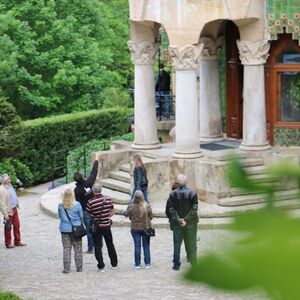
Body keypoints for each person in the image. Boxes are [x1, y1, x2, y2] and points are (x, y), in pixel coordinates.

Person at [165, 174, 199, 271]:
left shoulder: (172, 194)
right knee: (192, 244)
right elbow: (194, 209)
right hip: (190, 224)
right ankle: (194, 263)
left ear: (178, 183)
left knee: (176, 244)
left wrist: (179, 219)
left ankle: (176, 264)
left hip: (178, 224)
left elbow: (171, 209)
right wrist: (186, 219)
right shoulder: (192, 193)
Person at [86, 182, 118, 272]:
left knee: (97, 246)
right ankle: (114, 264)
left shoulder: (90, 202)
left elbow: (89, 214)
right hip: (106, 225)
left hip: (96, 226)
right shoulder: (108, 199)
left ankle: (101, 266)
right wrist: (107, 217)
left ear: (93, 190)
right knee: (110, 244)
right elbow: (112, 210)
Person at [74, 154, 99, 253]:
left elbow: (78, 203)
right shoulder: (88, 183)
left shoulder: (77, 190)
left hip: (85, 210)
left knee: (89, 229)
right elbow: (94, 172)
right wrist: (96, 160)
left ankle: (90, 247)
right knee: (97, 226)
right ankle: (98, 244)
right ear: (82, 177)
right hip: (94, 207)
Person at [58, 188, 83, 273]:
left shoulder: (61, 206)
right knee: (78, 249)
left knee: (66, 249)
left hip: (64, 229)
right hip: (76, 229)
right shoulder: (77, 205)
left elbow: (60, 216)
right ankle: (79, 267)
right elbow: (81, 216)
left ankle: (66, 268)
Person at [127, 190, 153, 269]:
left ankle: (137, 264)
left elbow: (130, 217)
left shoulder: (131, 206)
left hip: (135, 228)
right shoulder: (147, 206)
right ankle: (147, 263)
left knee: (137, 246)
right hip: (145, 227)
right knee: (146, 246)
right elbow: (151, 216)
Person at [0, 174, 26, 249]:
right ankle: (8, 243)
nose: (10, 179)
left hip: (14, 208)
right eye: (8, 178)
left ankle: (17, 241)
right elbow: (2, 203)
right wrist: (5, 214)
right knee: (8, 227)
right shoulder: (1, 189)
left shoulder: (10, 185)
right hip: (8, 210)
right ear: (5, 181)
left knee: (17, 225)